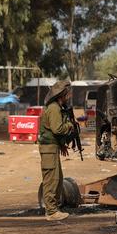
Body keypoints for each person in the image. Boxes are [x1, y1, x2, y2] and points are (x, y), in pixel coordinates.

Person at [39, 80, 75, 221]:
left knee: (58, 179)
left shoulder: (57, 107)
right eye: (68, 93)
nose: (70, 96)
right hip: (48, 149)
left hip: (52, 147)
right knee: (51, 180)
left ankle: (54, 209)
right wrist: (69, 125)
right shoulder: (54, 108)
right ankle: (51, 212)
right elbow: (57, 129)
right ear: (63, 94)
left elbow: (52, 131)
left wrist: (61, 145)